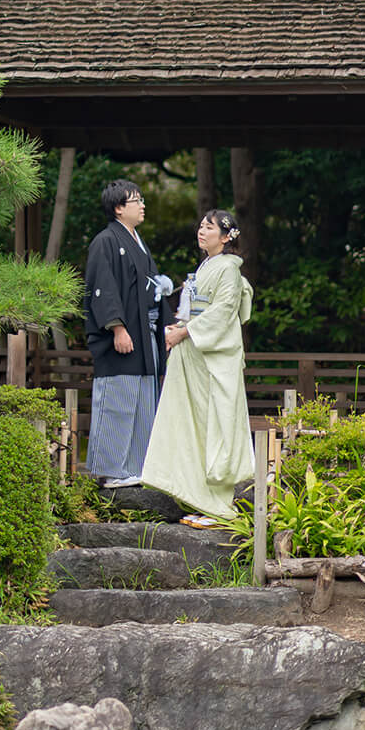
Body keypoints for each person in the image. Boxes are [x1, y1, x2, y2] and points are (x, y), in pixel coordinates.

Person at [141, 208, 254, 524]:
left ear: (226, 237)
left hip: (213, 357)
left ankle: (219, 504)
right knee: (192, 423)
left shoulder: (228, 270)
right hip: (194, 353)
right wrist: (178, 326)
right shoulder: (207, 266)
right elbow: (194, 309)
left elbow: (222, 313)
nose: (202, 231)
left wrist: (185, 331)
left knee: (216, 424)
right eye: (201, 226)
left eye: (210, 227)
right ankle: (198, 497)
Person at [82, 179, 173, 488]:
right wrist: (117, 327)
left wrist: (168, 324)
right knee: (118, 401)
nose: (143, 205)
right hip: (122, 336)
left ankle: (135, 468)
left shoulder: (137, 241)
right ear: (119, 208)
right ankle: (109, 471)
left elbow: (152, 288)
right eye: (137, 201)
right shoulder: (105, 241)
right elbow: (102, 288)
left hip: (145, 336)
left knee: (143, 402)